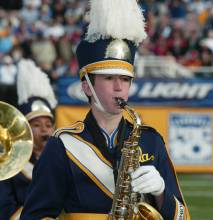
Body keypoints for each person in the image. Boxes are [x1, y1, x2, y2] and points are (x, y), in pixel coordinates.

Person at [20, 0, 190, 219]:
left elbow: (184, 217)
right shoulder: (61, 146)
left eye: (125, 79)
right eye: (109, 78)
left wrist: (160, 193)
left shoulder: (151, 141)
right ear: (86, 86)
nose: (119, 87)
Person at [0, 59, 57, 220]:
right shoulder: (10, 166)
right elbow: (4, 206)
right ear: (24, 130)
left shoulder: (62, 161)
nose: (45, 129)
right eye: (37, 125)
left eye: (48, 124)